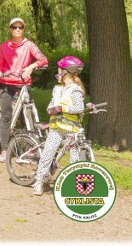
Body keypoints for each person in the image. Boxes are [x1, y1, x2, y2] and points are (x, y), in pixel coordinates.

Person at [0, 18, 48, 162]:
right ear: (10, 29)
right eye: (14, 27)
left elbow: (43, 59)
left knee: (26, 117)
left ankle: (28, 150)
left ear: (23, 29)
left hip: (23, 85)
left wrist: (31, 67)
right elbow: (0, 64)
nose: (18, 29)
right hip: (6, 84)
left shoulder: (29, 45)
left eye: (20, 27)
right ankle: (4, 150)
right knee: (6, 116)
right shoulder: (4, 46)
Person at [33, 56, 86, 196]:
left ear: (67, 72)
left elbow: (79, 108)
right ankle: (39, 181)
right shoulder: (57, 88)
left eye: (59, 70)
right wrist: (51, 108)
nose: (58, 73)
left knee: (75, 159)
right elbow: (52, 102)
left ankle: (76, 187)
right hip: (56, 128)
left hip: (71, 130)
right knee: (47, 154)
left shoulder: (75, 90)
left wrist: (62, 109)